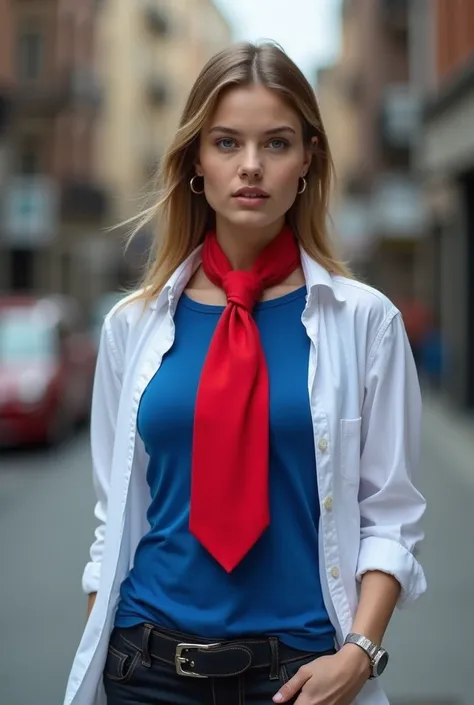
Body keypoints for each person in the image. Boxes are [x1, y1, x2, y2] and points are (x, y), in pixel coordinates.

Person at [64, 42, 426, 705]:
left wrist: (358, 655)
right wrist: (101, 627)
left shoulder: (366, 321)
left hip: (303, 677)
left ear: (308, 159)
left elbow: (392, 516)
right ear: (196, 161)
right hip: (144, 669)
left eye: (277, 143)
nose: (251, 166)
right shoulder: (131, 325)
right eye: (227, 142)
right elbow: (111, 512)